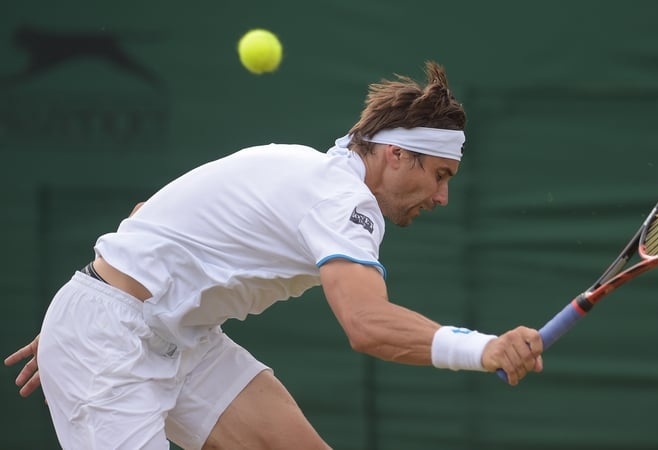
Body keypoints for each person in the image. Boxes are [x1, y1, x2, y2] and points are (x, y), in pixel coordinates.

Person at [4, 61, 543, 450]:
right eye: (440, 176)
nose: (443, 197)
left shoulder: (300, 164)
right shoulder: (341, 201)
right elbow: (366, 325)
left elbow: (153, 211)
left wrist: (92, 302)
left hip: (172, 335)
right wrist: (486, 349)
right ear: (398, 155)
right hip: (111, 345)